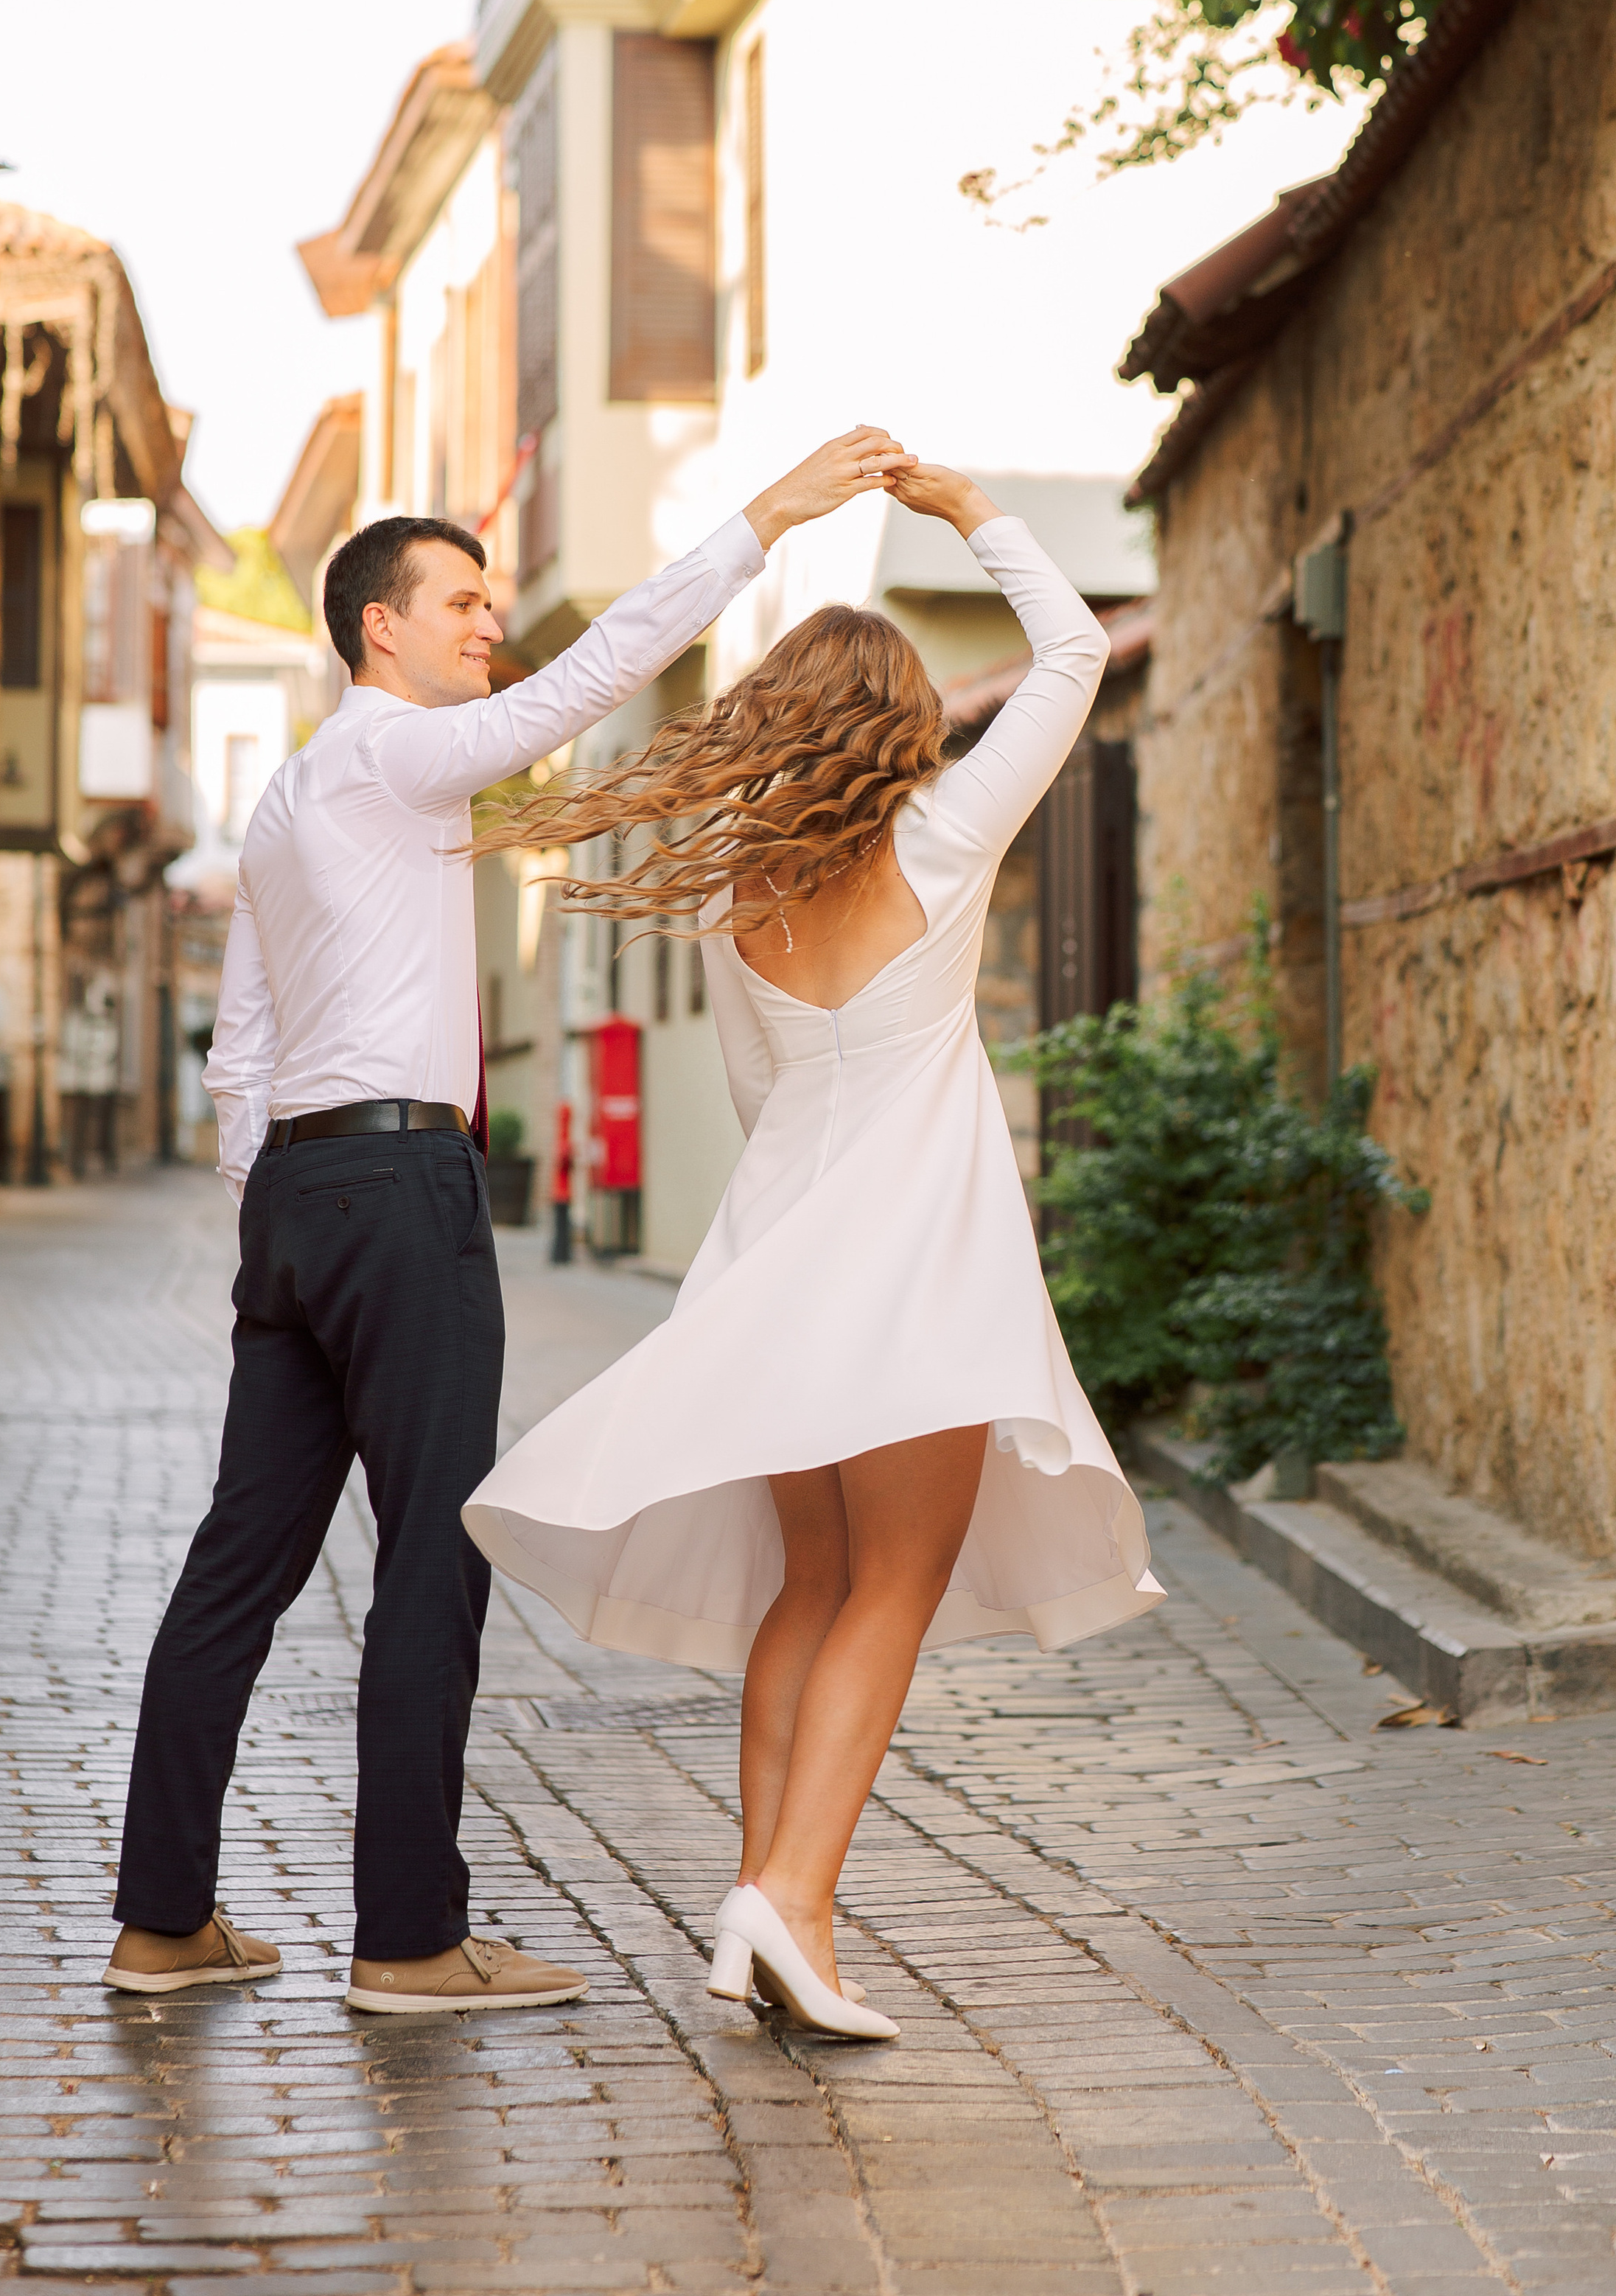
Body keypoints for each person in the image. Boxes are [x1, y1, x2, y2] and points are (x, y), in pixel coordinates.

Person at [102, 427, 906, 2016]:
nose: (487, 623)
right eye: (459, 601)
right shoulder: (398, 755)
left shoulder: (286, 799)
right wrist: (765, 518)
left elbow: (241, 1051)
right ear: (378, 628)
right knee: (431, 1560)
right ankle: (409, 1944)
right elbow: (594, 676)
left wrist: (269, 1206)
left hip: (299, 1201)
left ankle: (161, 1922)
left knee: (236, 1569)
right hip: (400, 1190)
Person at [462, 464, 1164, 2041]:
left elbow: (757, 1095)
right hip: (920, 1274)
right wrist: (966, 509)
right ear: (904, 731)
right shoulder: (945, 835)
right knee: (893, 1589)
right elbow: (1072, 652)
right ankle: (789, 1901)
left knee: (815, 1584)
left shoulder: (742, 896)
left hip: (778, 1267)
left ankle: (772, 1909)